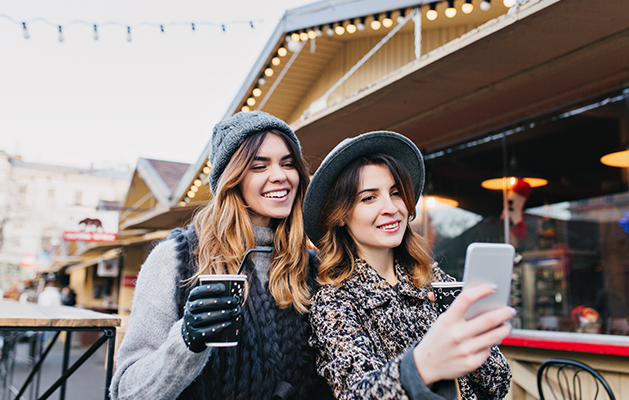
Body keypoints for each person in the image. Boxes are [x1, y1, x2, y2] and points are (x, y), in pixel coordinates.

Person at [110, 111, 333, 400]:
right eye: (258, 166)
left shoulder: (312, 267)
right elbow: (126, 391)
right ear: (232, 178)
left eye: (288, 164)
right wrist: (187, 340)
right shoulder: (176, 260)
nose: (279, 176)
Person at [303, 131, 514, 400]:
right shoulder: (334, 302)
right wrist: (422, 366)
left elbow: (498, 383)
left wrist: (478, 338)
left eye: (395, 193)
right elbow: (357, 393)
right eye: (369, 198)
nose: (391, 207)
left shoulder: (432, 279)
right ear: (341, 214)